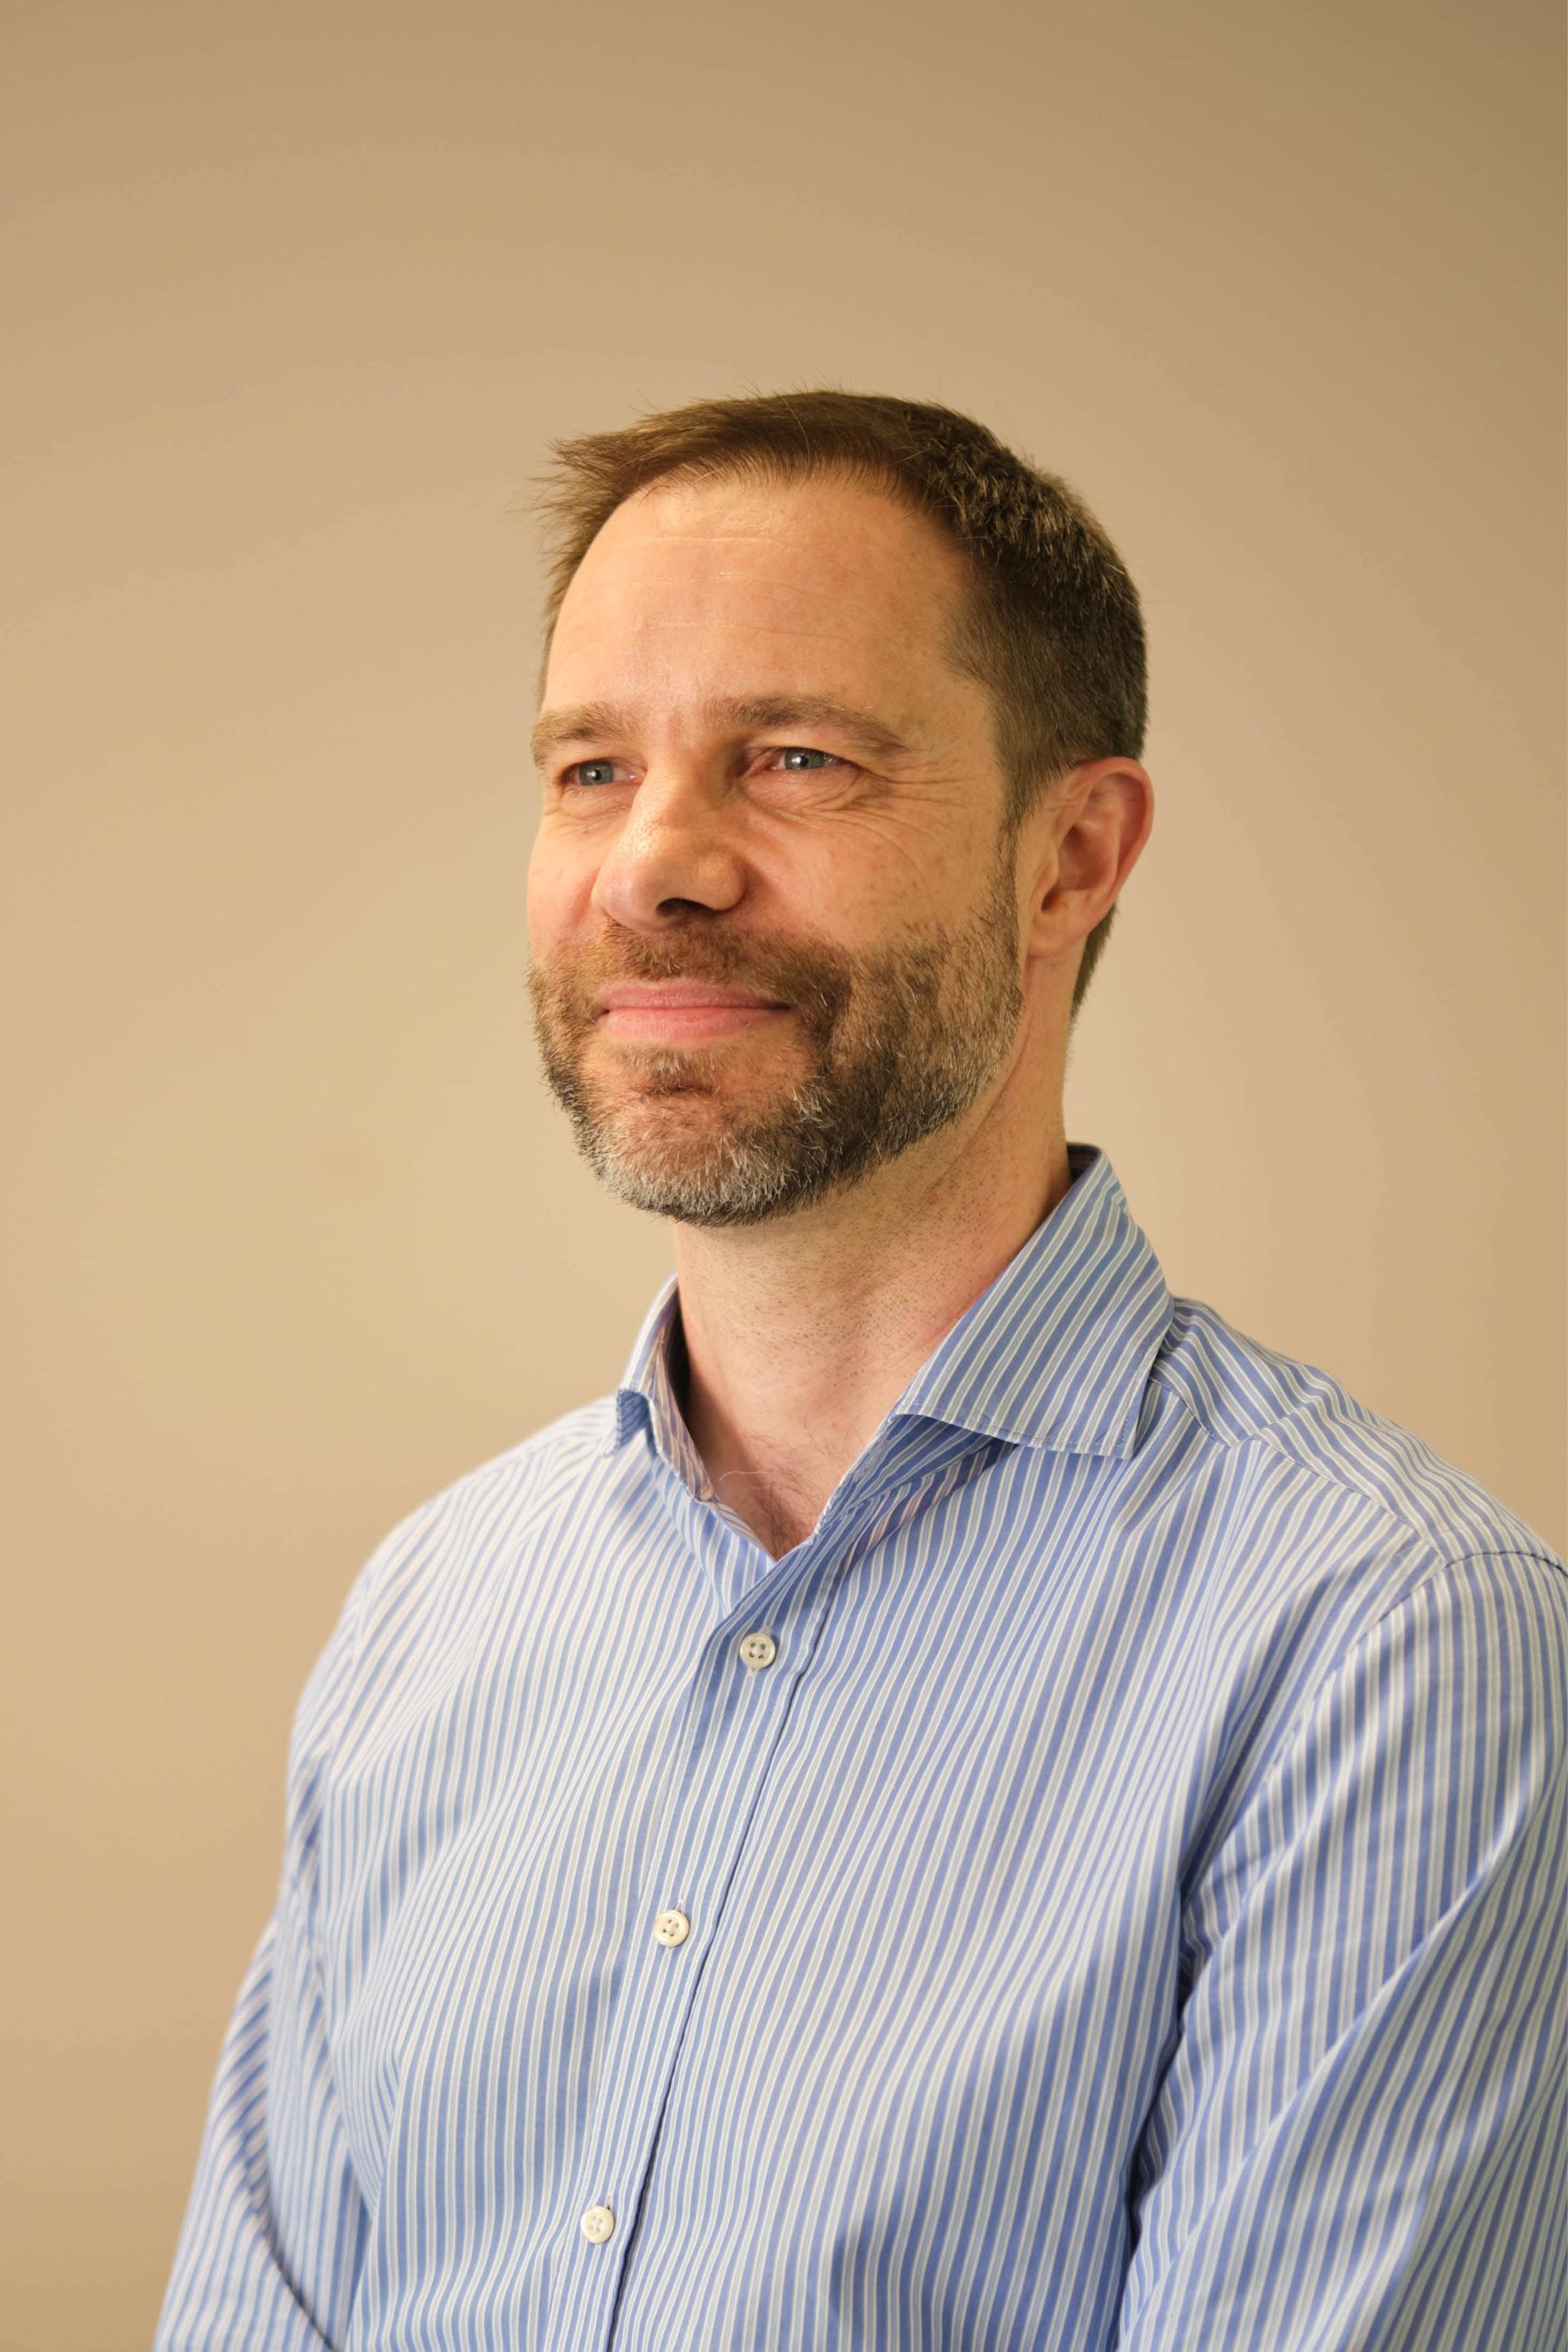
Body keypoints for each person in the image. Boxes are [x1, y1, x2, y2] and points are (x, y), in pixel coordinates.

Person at [154, 390, 1567, 2350]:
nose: (656, 865)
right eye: (587, 766)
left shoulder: (1384, 1651)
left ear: (1071, 853)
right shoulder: (431, 1619)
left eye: (792, 758)